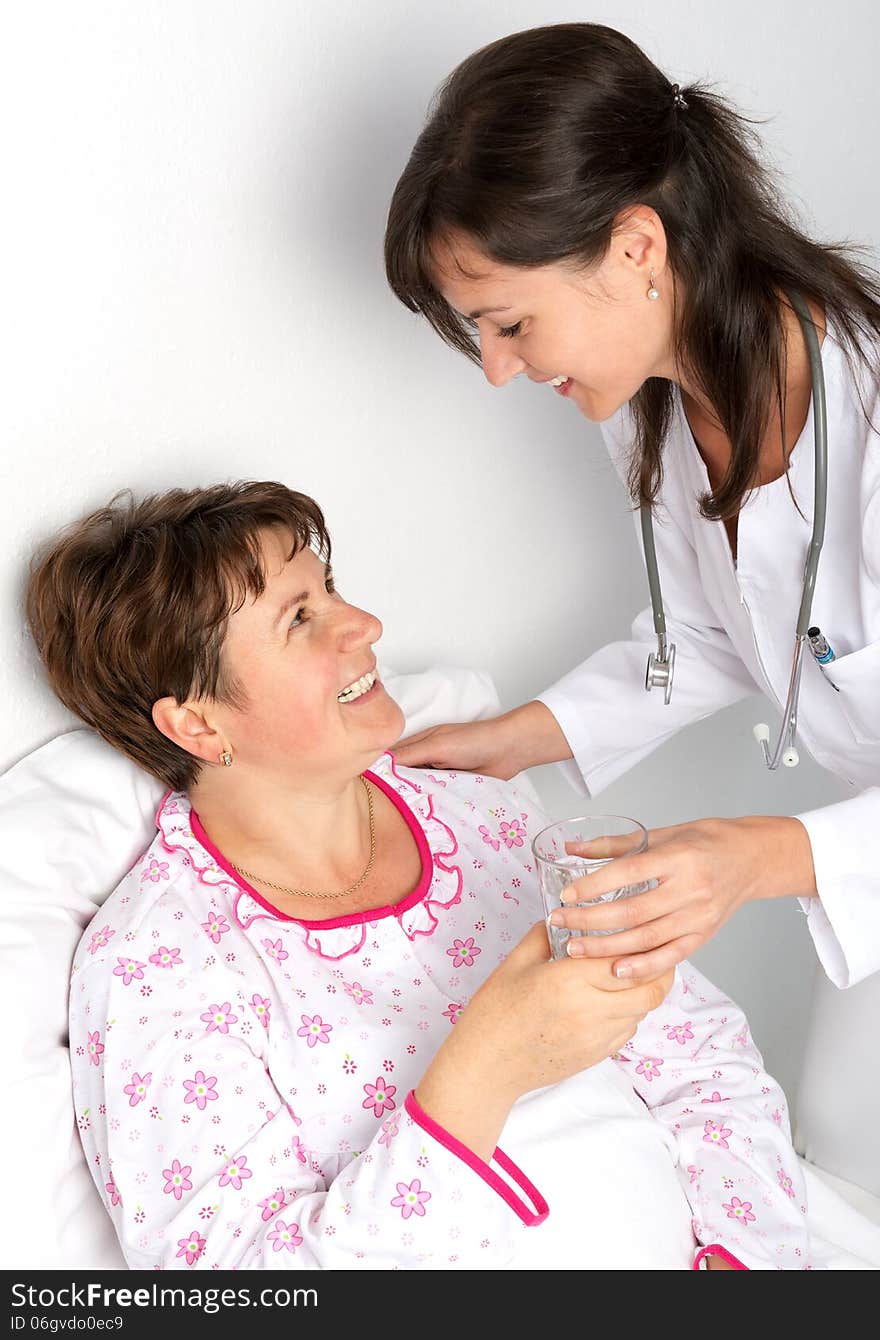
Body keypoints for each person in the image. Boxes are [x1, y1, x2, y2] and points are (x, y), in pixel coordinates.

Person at [25, 481, 822, 1271]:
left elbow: (703, 1061)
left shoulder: (483, 819)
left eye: (330, 588)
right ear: (198, 724)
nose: (366, 626)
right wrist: (484, 1068)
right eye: (300, 618)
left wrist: (741, 1259)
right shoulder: (157, 968)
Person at [384, 22, 880, 992]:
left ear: (634, 246)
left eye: (511, 324)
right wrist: (509, 739)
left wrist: (751, 855)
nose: (497, 370)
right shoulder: (649, 397)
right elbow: (714, 633)